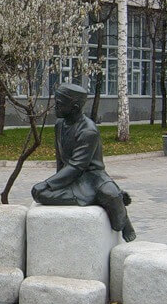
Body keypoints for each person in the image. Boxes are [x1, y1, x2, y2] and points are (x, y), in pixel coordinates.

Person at [31, 83, 136, 242]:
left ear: (74, 108)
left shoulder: (88, 131)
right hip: (71, 177)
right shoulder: (59, 125)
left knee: (110, 198)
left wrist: (47, 183)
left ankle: (117, 205)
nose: (54, 107)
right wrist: (56, 184)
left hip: (92, 178)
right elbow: (60, 160)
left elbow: (77, 166)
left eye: (59, 104)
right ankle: (100, 198)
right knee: (39, 193)